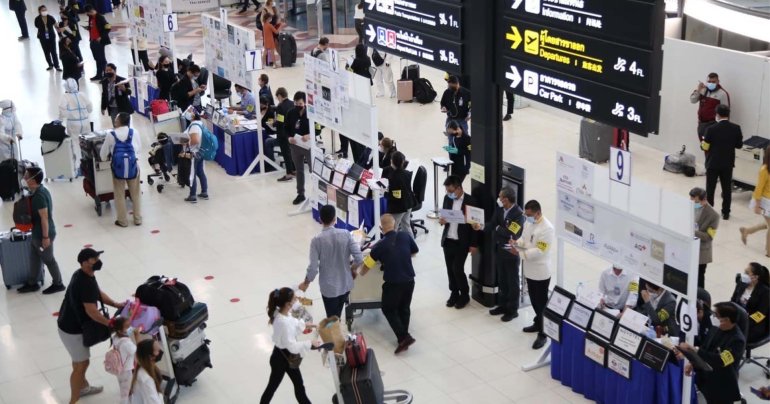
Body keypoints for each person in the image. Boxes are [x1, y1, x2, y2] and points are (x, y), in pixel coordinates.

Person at [57, 248, 125, 404]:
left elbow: (97, 293)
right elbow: (92, 312)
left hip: (66, 323)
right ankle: (74, 400)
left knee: (78, 361)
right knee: (81, 364)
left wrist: (115, 304)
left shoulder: (83, 274)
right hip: (72, 330)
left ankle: (83, 387)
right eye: (94, 258)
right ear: (85, 262)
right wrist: (111, 324)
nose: (98, 260)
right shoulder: (84, 282)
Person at [363, 214, 419, 354]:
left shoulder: (379, 245)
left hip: (393, 283)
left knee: (388, 308)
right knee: (404, 308)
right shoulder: (405, 236)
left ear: (381, 228)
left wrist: (357, 272)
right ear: (395, 225)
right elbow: (415, 251)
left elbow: (366, 267)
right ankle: (403, 337)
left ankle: (403, 337)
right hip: (409, 280)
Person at [298, 205, 364, 318]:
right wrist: (353, 269)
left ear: (320, 219)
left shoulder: (316, 241)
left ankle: (333, 331)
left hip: (329, 288)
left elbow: (313, 268)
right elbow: (359, 258)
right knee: (337, 313)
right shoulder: (346, 234)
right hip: (345, 283)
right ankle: (336, 327)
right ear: (335, 218)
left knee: (332, 317)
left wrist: (306, 283)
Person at [472, 187, 525, 322]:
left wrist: (497, 229)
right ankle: (502, 305)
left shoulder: (519, 215)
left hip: (511, 253)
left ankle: (512, 309)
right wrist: (482, 226)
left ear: (506, 199)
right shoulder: (500, 209)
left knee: (512, 282)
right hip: (499, 250)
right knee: (502, 280)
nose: (499, 199)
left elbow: (512, 233)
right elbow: (492, 224)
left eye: (500, 197)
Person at [676, 302, 745, 404]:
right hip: (706, 377)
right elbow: (706, 346)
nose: (714, 318)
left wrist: (696, 350)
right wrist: (692, 363)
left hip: (721, 384)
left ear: (727, 320)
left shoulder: (737, 341)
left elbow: (721, 360)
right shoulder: (717, 327)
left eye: (717, 316)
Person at [259, 287, 318, 404]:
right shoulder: (283, 322)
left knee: (299, 385)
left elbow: (295, 323)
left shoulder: (283, 312)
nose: (296, 299)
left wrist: (314, 325)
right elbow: (292, 346)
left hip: (286, 355)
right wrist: (310, 343)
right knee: (272, 387)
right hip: (281, 359)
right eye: (294, 298)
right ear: (287, 304)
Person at [511, 200, 554, 350]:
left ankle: (543, 332)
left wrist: (520, 252)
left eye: (529, 215)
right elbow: (524, 238)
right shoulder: (529, 222)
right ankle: (537, 322)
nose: (526, 217)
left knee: (541, 301)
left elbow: (540, 251)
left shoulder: (547, 229)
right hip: (529, 268)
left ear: (537, 213)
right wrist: (516, 244)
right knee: (534, 299)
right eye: (526, 214)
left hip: (540, 271)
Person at [17, 167, 65, 294]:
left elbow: (44, 217)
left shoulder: (39, 196)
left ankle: (58, 283)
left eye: (27, 176)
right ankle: (32, 283)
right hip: (37, 233)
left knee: (49, 259)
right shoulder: (40, 190)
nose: (24, 178)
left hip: (43, 234)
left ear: (33, 180)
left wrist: (45, 238)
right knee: (34, 257)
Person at [438, 175, 478, 309]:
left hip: (462, 241)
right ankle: (454, 293)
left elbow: (475, 225)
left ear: (459, 188)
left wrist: (473, 244)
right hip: (448, 239)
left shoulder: (471, 201)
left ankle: (464, 294)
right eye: (447, 191)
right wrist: (442, 220)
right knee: (450, 269)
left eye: (451, 191)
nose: (449, 194)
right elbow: (444, 216)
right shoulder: (447, 199)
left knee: (457, 268)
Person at [700, 104, 742, 220]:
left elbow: (705, 147)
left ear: (717, 114)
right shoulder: (736, 128)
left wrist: (703, 142)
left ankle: (709, 211)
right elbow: (739, 145)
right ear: (728, 115)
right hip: (727, 163)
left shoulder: (711, 129)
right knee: (726, 188)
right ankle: (726, 212)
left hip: (713, 163)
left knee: (710, 188)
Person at [100, 112, 142, 226]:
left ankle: (122, 221)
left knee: (119, 194)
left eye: (116, 119)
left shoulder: (111, 134)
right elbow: (138, 149)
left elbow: (103, 154)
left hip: (118, 169)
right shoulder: (135, 132)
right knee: (136, 194)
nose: (114, 121)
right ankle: (137, 219)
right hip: (133, 167)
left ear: (119, 121)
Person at [741, 145, 770, 257]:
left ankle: (747, 231)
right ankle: (769, 251)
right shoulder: (764, 170)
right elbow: (758, 188)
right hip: (765, 201)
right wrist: (757, 206)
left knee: (768, 224)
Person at [730, 262, 770, 344]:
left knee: (732, 336)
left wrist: (743, 322)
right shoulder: (741, 283)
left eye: (747, 273)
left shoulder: (765, 292)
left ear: (755, 277)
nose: (743, 275)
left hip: (754, 325)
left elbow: (760, 315)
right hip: (738, 318)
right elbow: (733, 300)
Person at [690, 187, 719, 288]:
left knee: (699, 278)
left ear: (704, 200)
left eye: (696, 201)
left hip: (701, 252)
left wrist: (693, 232)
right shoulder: (689, 206)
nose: (693, 203)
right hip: (689, 247)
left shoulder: (713, 216)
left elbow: (709, 237)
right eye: (691, 200)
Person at [690, 72, 730, 144]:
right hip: (702, 125)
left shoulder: (722, 93)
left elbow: (726, 113)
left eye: (713, 82)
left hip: (714, 125)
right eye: (709, 82)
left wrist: (722, 129)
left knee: (713, 148)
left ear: (718, 82)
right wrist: (698, 90)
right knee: (704, 147)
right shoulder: (703, 90)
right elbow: (693, 100)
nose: (711, 83)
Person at [58, 78, 92, 162]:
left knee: (75, 144)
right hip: (85, 122)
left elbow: (62, 110)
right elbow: (90, 108)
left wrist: (60, 119)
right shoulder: (82, 94)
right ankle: (88, 162)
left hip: (73, 124)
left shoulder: (65, 96)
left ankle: (78, 163)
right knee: (87, 142)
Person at [287, 91, 311, 205]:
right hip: (295, 145)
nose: (297, 105)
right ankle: (300, 194)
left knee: (313, 171)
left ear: (305, 103)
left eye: (300, 103)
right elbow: (285, 128)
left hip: (308, 146)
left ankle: (317, 194)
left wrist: (310, 135)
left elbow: (318, 128)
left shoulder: (311, 113)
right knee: (299, 171)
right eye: (296, 102)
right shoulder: (291, 113)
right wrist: (289, 138)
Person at [384, 151, 416, 236]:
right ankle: (412, 246)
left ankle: (393, 247)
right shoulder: (407, 173)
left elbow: (395, 195)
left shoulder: (393, 178)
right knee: (406, 225)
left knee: (393, 228)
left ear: (391, 161)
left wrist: (385, 192)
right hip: (408, 203)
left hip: (398, 207)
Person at [182, 107, 209, 203]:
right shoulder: (201, 123)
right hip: (201, 152)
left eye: (189, 112)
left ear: (193, 114)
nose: (187, 114)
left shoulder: (194, 126)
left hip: (194, 153)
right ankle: (204, 192)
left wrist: (186, 143)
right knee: (200, 172)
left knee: (192, 174)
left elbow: (196, 140)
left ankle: (192, 195)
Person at [109, 316, 138, 404]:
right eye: (127, 326)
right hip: (126, 370)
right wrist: (137, 336)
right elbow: (138, 351)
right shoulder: (126, 343)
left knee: (124, 387)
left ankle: (130, 399)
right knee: (125, 393)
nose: (131, 328)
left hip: (119, 369)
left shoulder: (115, 338)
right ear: (120, 330)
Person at [129, 339, 164, 404]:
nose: (160, 351)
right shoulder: (146, 379)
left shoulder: (143, 367)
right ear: (150, 357)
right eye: (158, 351)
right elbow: (153, 401)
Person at [274, 87, 296, 182]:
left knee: (286, 153)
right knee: (291, 151)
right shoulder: (292, 104)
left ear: (279, 96)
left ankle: (289, 173)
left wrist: (273, 123)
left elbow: (279, 121)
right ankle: (294, 169)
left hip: (282, 133)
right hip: (292, 132)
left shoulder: (280, 106)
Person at [85, 5, 111, 81]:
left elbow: (108, 27)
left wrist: (101, 37)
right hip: (92, 40)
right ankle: (99, 75)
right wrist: (89, 28)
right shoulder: (90, 17)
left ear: (90, 11)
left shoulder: (100, 17)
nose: (87, 14)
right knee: (97, 59)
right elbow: (93, 27)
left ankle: (105, 75)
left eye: (87, 13)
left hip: (99, 41)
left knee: (102, 59)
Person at [34, 5, 61, 71]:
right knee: (46, 52)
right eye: (43, 10)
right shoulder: (37, 19)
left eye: (45, 10)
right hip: (42, 37)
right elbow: (37, 26)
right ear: (39, 11)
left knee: (53, 52)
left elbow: (56, 26)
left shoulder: (50, 17)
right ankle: (50, 65)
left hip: (51, 36)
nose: (44, 11)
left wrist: (60, 34)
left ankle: (57, 66)